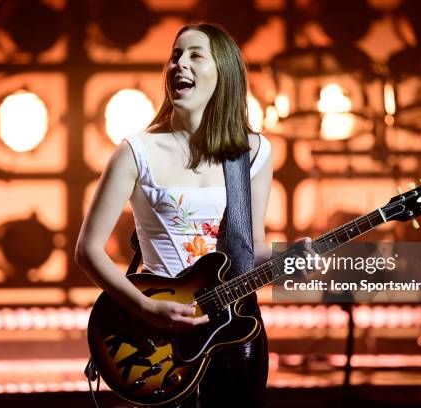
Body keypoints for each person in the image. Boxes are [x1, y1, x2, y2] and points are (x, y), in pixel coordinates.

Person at [74, 23, 273, 407]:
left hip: (236, 326)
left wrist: (291, 258)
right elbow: (88, 251)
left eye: (196, 55)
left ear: (224, 73)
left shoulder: (253, 152)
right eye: (175, 55)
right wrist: (146, 307)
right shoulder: (136, 152)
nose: (179, 64)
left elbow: (252, 249)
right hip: (157, 337)